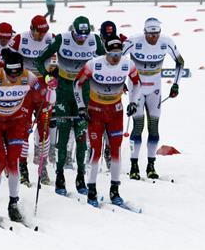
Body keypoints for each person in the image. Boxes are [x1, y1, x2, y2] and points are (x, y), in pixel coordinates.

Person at [0, 49, 51, 224]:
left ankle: (13, 204)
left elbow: (48, 98)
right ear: (5, 69)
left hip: (15, 123)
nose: (13, 78)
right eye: (10, 74)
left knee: (13, 162)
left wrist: (50, 87)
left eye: (17, 74)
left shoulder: (28, 76)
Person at [36, 16, 106, 196]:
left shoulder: (94, 40)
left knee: (82, 135)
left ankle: (81, 175)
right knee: (64, 134)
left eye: (85, 35)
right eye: (78, 35)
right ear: (72, 30)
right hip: (64, 89)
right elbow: (39, 59)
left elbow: (105, 61)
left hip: (83, 90)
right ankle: (59, 175)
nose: (82, 39)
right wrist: (47, 77)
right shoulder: (62, 38)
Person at [74, 37, 140, 207]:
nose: (116, 57)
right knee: (96, 151)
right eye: (112, 54)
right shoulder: (94, 64)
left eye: (118, 53)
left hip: (115, 112)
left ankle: (115, 190)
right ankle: (92, 189)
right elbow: (77, 84)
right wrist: (81, 107)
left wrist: (133, 102)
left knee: (116, 150)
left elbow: (136, 83)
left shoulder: (127, 64)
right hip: (95, 112)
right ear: (106, 52)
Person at [123, 18, 184, 179]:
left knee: (154, 127)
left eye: (156, 34)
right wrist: (121, 81)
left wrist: (176, 85)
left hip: (155, 89)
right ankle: (134, 166)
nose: (153, 38)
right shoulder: (134, 40)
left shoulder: (166, 41)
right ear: (145, 32)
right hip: (136, 88)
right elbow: (116, 58)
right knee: (138, 126)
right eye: (150, 34)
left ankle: (151, 165)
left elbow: (180, 62)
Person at [10, 14, 55, 184]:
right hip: (24, 88)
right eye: (39, 32)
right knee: (24, 129)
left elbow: (58, 62)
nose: (42, 35)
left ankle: (42, 168)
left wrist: (53, 75)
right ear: (32, 29)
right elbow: (8, 60)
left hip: (42, 88)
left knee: (44, 128)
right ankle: (23, 168)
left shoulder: (51, 39)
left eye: (45, 32)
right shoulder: (20, 39)